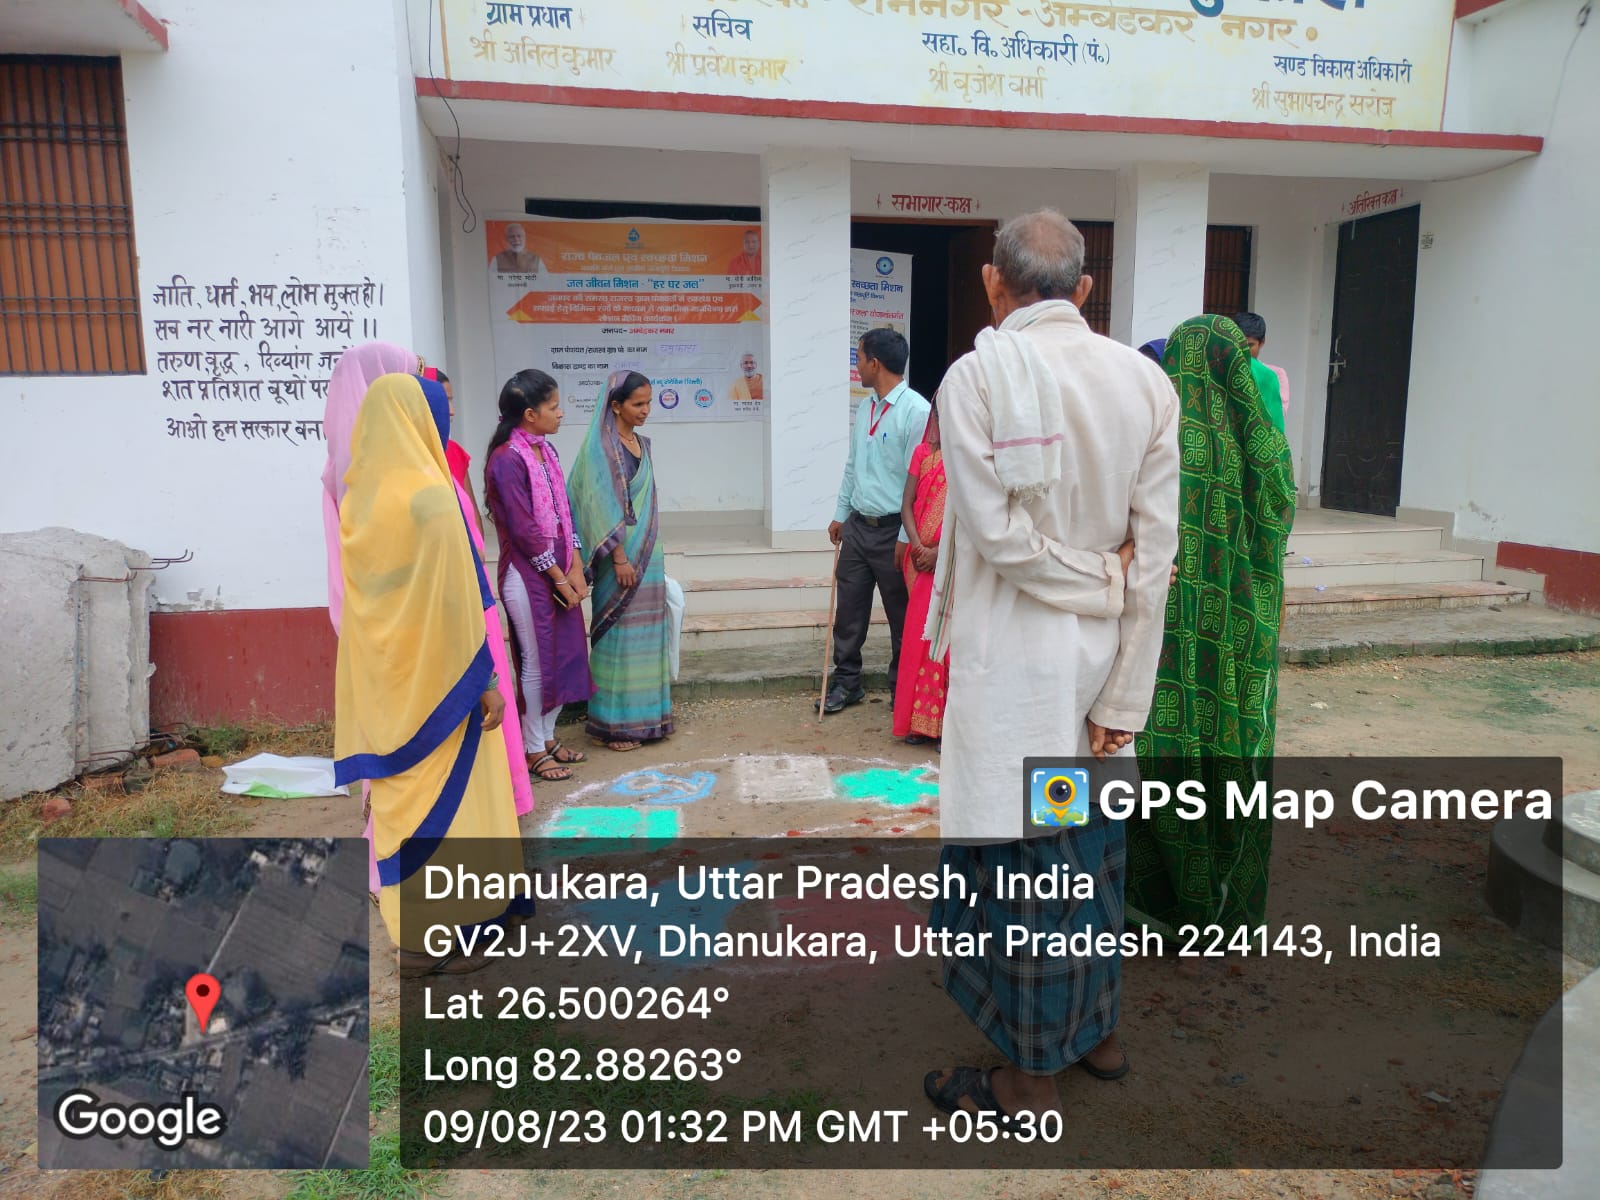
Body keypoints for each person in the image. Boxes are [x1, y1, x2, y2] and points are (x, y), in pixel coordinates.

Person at [922, 208, 1179, 1118]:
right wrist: (1126, 697)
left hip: (1018, 681)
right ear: (1085, 289)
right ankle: (1099, 1037)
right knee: (1090, 862)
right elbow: (1155, 559)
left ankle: (1030, 1077)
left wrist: (1093, 580)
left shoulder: (975, 377)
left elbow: (997, 538)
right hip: (1097, 678)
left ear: (993, 283)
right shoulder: (1144, 381)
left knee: (1029, 876)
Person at [332, 372, 531, 976]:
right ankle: (458, 936)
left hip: (388, 687)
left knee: (402, 806)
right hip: (443, 682)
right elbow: (453, 604)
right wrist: (486, 682)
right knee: (461, 806)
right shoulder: (432, 498)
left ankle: (414, 943)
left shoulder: (359, 501)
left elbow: (377, 601)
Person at [1129, 316, 1296, 942]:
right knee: (1234, 750)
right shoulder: (1264, 447)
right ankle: (1223, 901)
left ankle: (1159, 901)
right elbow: (1279, 512)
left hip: (1165, 640)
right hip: (1240, 633)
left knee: (1158, 755)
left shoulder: (1154, 438)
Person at [483, 370, 596, 782]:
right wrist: (559, 577)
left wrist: (576, 564)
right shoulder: (506, 459)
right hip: (527, 573)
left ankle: (547, 738)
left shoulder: (546, 451)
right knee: (536, 662)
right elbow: (524, 529)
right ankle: (532, 748)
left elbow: (565, 513)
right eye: (553, 407)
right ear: (530, 414)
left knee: (564, 657)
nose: (561, 413)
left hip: (558, 568)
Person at [820, 328, 930, 715]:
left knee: (901, 615)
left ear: (875, 364)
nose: (858, 366)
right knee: (849, 612)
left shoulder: (916, 412)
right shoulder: (865, 407)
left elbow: (919, 481)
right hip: (857, 528)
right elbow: (853, 465)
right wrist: (840, 514)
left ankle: (902, 688)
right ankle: (847, 683)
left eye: (860, 358)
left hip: (892, 533)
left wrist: (905, 535)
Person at [567, 371, 674, 750]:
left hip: (649, 557)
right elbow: (598, 505)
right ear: (615, 406)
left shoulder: (641, 444)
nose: (646, 410)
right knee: (618, 638)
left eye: (649, 402)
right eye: (637, 404)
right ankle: (614, 726)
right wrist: (620, 557)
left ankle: (648, 717)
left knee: (647, 636)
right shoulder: (601, 448)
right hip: (621, 562)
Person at [892, 402, 948, 746]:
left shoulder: (968, 458)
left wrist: (940, 553)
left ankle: (945, 726)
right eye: (939, 414)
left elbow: (971, 515)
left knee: (946, 643)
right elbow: (906, 504)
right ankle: (918, 724)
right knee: (918, 639)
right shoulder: (922, 454)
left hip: (952, 564)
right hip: (919, 560)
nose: (942, 421)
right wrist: (917, 546)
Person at [423, 367, 481, 529]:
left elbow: (473, 517)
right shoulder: (405, 457)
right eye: (444, 401)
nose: (452, 411)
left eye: (451, 401)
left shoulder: (454, 450)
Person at [1232, 313, 1288, 435]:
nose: (1243, 351)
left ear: (1262, 342)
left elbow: (1277, 418)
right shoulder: (1223, 371)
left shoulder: (1274, 375)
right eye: (1239, 345)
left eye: (1249, 345)